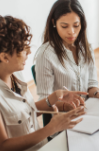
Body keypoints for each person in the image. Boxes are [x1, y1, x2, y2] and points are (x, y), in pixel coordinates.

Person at [0, 16, 87, 151]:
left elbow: (24, 113)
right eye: (23, 48)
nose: (29, 52)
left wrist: (53, 98)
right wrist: (51, 128)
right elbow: (4, 146)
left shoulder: (16, 74)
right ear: (4, 57)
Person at [35, 0, 99, 112]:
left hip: (87, 112)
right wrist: (66, 106)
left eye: (76, 25)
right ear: (54, 23)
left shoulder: (86, 47)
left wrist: (97, 93)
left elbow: (91, 84)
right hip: (64, 120)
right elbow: (44, 100)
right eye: (64, 26)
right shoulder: (45, 54)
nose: (71, 31)